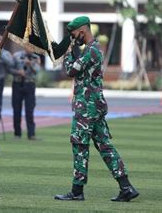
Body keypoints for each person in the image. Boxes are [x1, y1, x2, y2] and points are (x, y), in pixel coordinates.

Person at [54, 16, 139, 202]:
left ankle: (77, 191)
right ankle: (126, 187)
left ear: (82, 32)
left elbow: (70, 71)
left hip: (87, 107)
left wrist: (67, 51)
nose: (73, 37)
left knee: (80, 146)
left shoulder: (91, 51)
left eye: (74, 34)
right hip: (94, 106)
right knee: (105, 146)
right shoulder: (93, 50)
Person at [10, 47, 41, 140]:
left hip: (29, 84)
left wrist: (30, 64)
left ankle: (31, 134)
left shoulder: (36, 58)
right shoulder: (16, 56)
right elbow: (10, 69)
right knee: (16, 109)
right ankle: (17, 134)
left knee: (30, 110)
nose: (30, 48)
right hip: (17, 83)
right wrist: (18, 72)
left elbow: (37, 71)